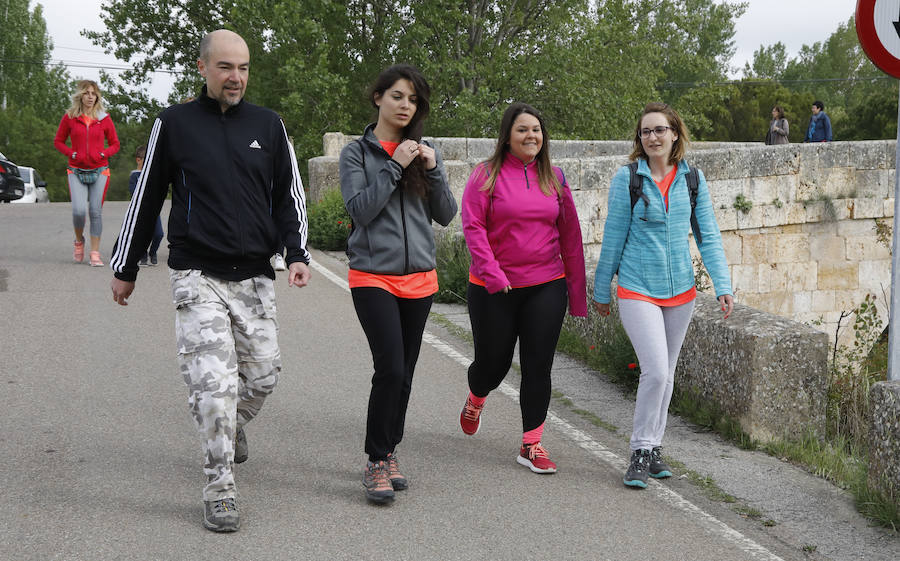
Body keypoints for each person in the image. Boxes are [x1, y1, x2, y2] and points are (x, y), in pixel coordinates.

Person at [109, 29, 311, 532]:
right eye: (225, 67)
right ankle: (220, 489)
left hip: (255, 276)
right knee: (215, 389)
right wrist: (126, 266)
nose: (235, 77)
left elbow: (289, 194)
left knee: (263, 378)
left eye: (243, 68)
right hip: (197, 274)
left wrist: (297, 252)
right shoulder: (174, 124)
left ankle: (227, 426)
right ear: (202, 68)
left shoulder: (269, 124)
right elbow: (147, 196)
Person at [592, 102, 733, 489]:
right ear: (639, 139)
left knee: (666, 375)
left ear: (674, 134)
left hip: (681, 292)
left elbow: (708, 236)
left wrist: (723, 285)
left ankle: (654, 447)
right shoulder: (628, 179)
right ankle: (639, 450)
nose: (652, 137)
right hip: (637, 287)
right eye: (645, 132)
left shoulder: (693, 179)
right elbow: (613, 237)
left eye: (659, 130)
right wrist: (601, 289)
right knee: (654, 370)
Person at [339, 64, 457, 504]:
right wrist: (394, 165)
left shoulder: (427, 151)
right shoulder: (357, 153)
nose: (405, 105)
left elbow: (446, 214)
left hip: (420, 279)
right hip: (373, 276)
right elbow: (360, 210)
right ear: (378, 98)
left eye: (413, 99)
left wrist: (433, 167)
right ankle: (375, 460)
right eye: (397, 96)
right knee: (389, 367)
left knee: (404, 373)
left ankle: (389, 452)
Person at [458, 102, 586, 475]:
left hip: (546, 284)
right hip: (494, 287)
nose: (531, 136)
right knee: (492, 364)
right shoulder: (485, 175)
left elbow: (571, 237)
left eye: (536, 130)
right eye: (522, 130)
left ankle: (531, 444)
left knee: (538, 364)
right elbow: (473, 226)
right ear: (507, 136)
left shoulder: (555, 178)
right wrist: (493, 274)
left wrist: (577, 295)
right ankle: (477, 395)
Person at [54, 79, 120, 266]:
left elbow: (115, 144)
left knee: (95, 211)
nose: (90, 97)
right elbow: (58, 141)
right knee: (78, 211)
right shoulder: (70, 117)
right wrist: (72, 153)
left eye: (94, 94)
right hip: (76, 170)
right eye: (87, 93)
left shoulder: (104, 118)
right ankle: (78, 241)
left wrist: (103, 153)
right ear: (80, 95)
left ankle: (95, 253)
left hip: (100, 170)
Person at [127, 145, 163, 265]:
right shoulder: (134, 176)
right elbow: (134, 193)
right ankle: (143, 255)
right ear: (138, 160)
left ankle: (153, 252)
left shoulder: (153, 174)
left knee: (159, 234)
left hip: (154, 210)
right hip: (140, 211)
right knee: (141, 235)